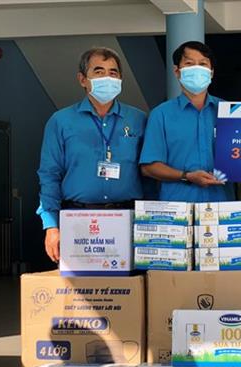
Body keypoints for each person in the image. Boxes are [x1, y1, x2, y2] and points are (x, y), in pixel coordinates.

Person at [37, 47, 147, 263]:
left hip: (128, 220)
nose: (107, 77)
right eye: (99, 71)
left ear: (121, 79)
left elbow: (149, 173)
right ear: (82, 79)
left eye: (113, 73)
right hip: (77, 221)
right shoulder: (61, 121)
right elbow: (49, 175)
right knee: (82, 283)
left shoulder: (138, 120)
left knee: (129, 283)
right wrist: (51, 226)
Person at [139, 41, 235, 202]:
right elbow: (149, 168)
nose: (197, 69)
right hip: (177, 208)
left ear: (211, 72)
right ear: (177, 71)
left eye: (203, 64)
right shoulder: (161, 115)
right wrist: (187, 176)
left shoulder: (230, 113)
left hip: (222, 205)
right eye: (189, 63)